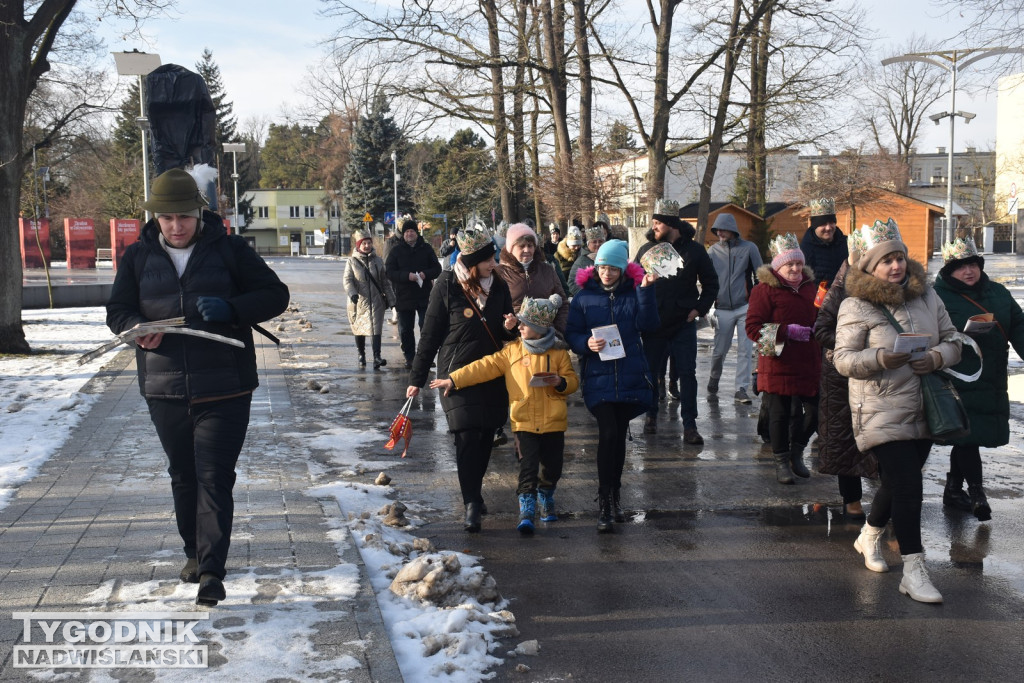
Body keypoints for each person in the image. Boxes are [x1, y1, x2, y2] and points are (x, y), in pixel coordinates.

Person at [106, 168, 290, 606]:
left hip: (225, 387)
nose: (176, 226)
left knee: (214, 477)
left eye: (184, 217)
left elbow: (275, 295)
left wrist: (230, 307)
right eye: (167, 218)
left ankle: (211, 571)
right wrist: (134, 327)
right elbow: (117, 310)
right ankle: (193, 552)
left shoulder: (229, 250)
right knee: (183, 476)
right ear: (156, 218)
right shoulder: (136, 258)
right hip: (164, 387)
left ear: (199, 213)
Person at [834, 218, 961, 604]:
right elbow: (842, 358)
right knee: (908, 485)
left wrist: (937, 356)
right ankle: (914, 569)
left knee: (898, 482)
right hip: (880, 408)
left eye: (899, 258)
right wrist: (880, 357)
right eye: (886, 260)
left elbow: (954, 338)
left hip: (925, 404)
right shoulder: (856, 305)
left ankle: (870, 534)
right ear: (870, 267)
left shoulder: (928, 296)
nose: (895, 266)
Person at [431, 295, 579, 534]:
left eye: (524, 324)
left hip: (554, 422)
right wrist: (454, 379)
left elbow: (573, 382)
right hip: (524, 422)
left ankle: (546, 494)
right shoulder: (511, 352)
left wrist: (561, 382)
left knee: (552, 467)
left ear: (540, 329)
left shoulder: (559, 354)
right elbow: (484, 366)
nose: (518, 327)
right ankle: (526, 509)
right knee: (527, 467)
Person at [406, 226, 518, 533]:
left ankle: (474, 489)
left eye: (494, 256)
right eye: (487, 258)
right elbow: (429, 335)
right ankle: (471, 503)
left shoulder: (500, 285)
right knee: (466, 436)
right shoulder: (447, 284)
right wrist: (416, 377)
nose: (493, 262)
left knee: (484, 437)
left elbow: (508, 331)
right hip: (455, 375)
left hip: (492, 372)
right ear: (472, 262)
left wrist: (511, 325)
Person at [567, 240, 659, 532]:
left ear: (623, 269)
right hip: (599, 377)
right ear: (595, 267)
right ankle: (605, 503)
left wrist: (645, 291)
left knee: (618, 437)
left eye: (614, 268)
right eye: (603, 267)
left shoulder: (634, 292)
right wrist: (586, 344)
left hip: (631, 373)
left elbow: (649, 325)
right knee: (608, 433)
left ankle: (616, 497)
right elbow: (572, 333)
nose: (607, 273)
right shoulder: (583, 298)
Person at [933, 236, 1024, 522]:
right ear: (949, 270)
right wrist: (958, 337)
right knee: (966, 435)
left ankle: (952, 489)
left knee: (967, 437)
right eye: (960, 267)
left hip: (991, 376)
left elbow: (1019, 325)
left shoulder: (998, 293)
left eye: (973, 264)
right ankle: (977, 494)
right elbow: (930, 331)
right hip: (956, 376)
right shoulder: (936, 296)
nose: (969, 271)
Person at [634, 198, 719, 443]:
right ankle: (650, 416)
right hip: (654, 323)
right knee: (650, 372)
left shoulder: (694, 251)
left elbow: (712, 284)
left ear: (672, 224)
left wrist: (699, 309)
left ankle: (690, 426)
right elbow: (633, 280)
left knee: (687, 374)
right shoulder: (646, 250)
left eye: (658, 222)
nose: (654, 226)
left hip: (683, 322)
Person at [745, 233, 821, 484]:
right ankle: (781, 461)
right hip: (778, 361)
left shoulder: (811, 287)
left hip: (808, 360)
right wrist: (786, 331)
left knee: (814, 412)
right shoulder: (764, 290)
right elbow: (753, 329)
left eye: (798, 263)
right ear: (778, 266)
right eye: (790, 264)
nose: (795, 268)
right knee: (778, 413)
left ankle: (797, 452)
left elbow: (820, 319)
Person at [813, 249, 876, 520]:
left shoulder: (897, 285)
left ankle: (891, 496)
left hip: (885, 373)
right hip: (842, 375)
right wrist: (852, 347)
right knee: (845, 437)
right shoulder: (841, 288)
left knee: (886, 436)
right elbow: (822, 330)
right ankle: (851, 498)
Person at [706, 213, 762, 404]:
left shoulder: (749, 248)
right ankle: (714, 378)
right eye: (716, 229)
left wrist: (756, 300)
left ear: (733, 229)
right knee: (720, 350)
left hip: (745, 307)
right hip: (722, 308)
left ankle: (741, 388)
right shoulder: (712, 252)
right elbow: (707, 280)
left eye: (722, 229)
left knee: (745, 349)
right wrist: (709, 305)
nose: (719, 232)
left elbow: (760, 275)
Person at [386, 218, 443, 369]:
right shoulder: (396, 251)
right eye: (407, 231)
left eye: (412, 231)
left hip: (424, 295)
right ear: (403, 234)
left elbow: (437, 269)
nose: (409, 234)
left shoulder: (426, 248)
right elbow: (389, 272)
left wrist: (425, 274)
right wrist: (406, 276)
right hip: (404, 296)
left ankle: (425, 357)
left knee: (426, 327)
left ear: (416, 233)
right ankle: (410, 357)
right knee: (405, 329)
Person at [344, 230, 396, 369]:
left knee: (376, 329)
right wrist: (352, 293)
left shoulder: (378, 260)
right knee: (359, 328)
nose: (367, 246)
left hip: (376, 301)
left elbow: (385, 282)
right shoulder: (351, 261)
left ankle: (377, 357)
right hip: (358, 301)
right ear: (359, 245)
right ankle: (361, 354)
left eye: (368, 243)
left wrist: (391, 300)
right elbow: (347, 280)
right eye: (364, 243)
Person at [800, 197, 849, 287]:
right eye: (823, 224)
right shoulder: (805, 250)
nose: (828, 227)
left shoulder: (847, 244)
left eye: (831, 222)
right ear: (815, 226)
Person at [568, 226, 607, 295]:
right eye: (594, 242)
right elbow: (571, 284)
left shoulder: (610, 258)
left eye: (600, 241)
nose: (598, 244)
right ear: (588, 244)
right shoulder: (581, 261)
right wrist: (587, 295)